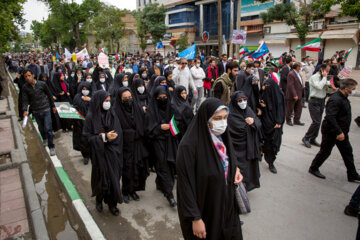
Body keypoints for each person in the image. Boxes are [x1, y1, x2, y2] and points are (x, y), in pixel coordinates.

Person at [176, 98, 243, 240]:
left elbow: (229, 159)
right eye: (217, 118)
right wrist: (195, 218)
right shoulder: (188, 146)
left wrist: (235, 170)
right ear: (206, 119)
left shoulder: (222, 137)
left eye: (225, 117)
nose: (222, 123)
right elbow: (185, 186)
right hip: (206, 210)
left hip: (227, 206)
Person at [309, 78, 360, 182]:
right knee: (325, 151)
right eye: (353, 89)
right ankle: (313, 168)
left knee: (347, 152)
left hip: (342, 132)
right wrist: (339, 132)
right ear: (346, 89)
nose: (354, 91)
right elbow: (330, 117)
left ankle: (352, 174)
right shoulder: (335, 99)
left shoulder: (344, 97)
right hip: (332, 131)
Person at [83, 90, 123, 216]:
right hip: (99, 155)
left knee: (114, 179)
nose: (108, 103)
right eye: (105, 101)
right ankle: (99, 200)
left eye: (109, 101)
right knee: (101, 179)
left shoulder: (112, 114)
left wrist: (111, 137)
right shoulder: (91, 117)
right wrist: (103, 137)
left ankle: (112, 204)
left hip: (112, 153)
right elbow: (86, 138)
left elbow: (118, 132)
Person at [114, 87, 149, 203]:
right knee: (127, 169)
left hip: (138, 143)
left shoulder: (137, 108)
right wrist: (130, 133)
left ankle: (133, 190)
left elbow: (143, 123)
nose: (129, 100)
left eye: (130, 97)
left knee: (137, 168)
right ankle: (125, 191)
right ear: (120, 99)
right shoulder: (117, 112)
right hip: (125, 146)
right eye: (125, 98)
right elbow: (117, 130)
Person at [145, 86, 177, 207]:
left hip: (170, 140)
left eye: (165, 97)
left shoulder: (171, 108)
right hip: (157, 142)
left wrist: (172, 127)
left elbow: (177, 123)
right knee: (163, 166)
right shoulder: (151, 111)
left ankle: (160, 183)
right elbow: (148, 130)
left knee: (170, 165)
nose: (163, 99)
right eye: (160, 98)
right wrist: (159, 127)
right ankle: (169, 194)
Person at [228, 91, 261, 191]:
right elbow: (235, 128)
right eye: (239, 101)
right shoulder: (231, 115)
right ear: (234, 102)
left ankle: (245, 187)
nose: (243, 102)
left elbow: (258, 123)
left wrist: (253, 122)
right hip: (236, 149)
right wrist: (249, 124)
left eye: (244, 100)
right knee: (238, 170)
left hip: (249, 147)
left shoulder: (248, 110)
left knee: (248, 170)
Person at [21, 69, 57, 156]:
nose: (28, 78)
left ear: (33, 75)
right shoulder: (25, 87)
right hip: (36, 111)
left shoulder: (42, 84)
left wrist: (53, 106)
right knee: (41, 128)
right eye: (26, 76)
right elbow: (25, 100)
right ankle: (44, 138)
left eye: (29, 75)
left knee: (48, 129)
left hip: (46, 109)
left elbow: (49, 95)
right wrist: (25, 110)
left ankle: (51, 146)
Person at [302, 64, 332, 148]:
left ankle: (313, 138)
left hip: (322, 100)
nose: (327, 72)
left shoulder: (323, 78)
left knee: (319, 122)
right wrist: (325, 78)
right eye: (326, 71)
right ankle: (306, 137)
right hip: (314, 100)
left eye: (328, 71)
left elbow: (326, 89)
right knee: (316, 121)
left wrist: (332, 88)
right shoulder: (314, 77)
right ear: (322, 69)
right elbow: (319, 86)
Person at [260, 78, 286, 173]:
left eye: (268, 86)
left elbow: (281, 109)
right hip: (266, 123)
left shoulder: (279, 95)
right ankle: (269, 161)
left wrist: (279, 122)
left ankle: (271, 161)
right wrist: (262, 106)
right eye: (265, 86)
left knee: (273, 144)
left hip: (275, 125)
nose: (266, 88)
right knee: (266, 144)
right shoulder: (264, 94)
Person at [72, 82, 92, 165]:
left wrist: (90, 100)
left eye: (87, 89)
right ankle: (85, 156)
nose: (85, 91)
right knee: (82, 140)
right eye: (83, 89)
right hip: (80, 122)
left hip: (91, 122)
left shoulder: (92, 97)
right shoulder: (77, 97)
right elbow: (75, 108)